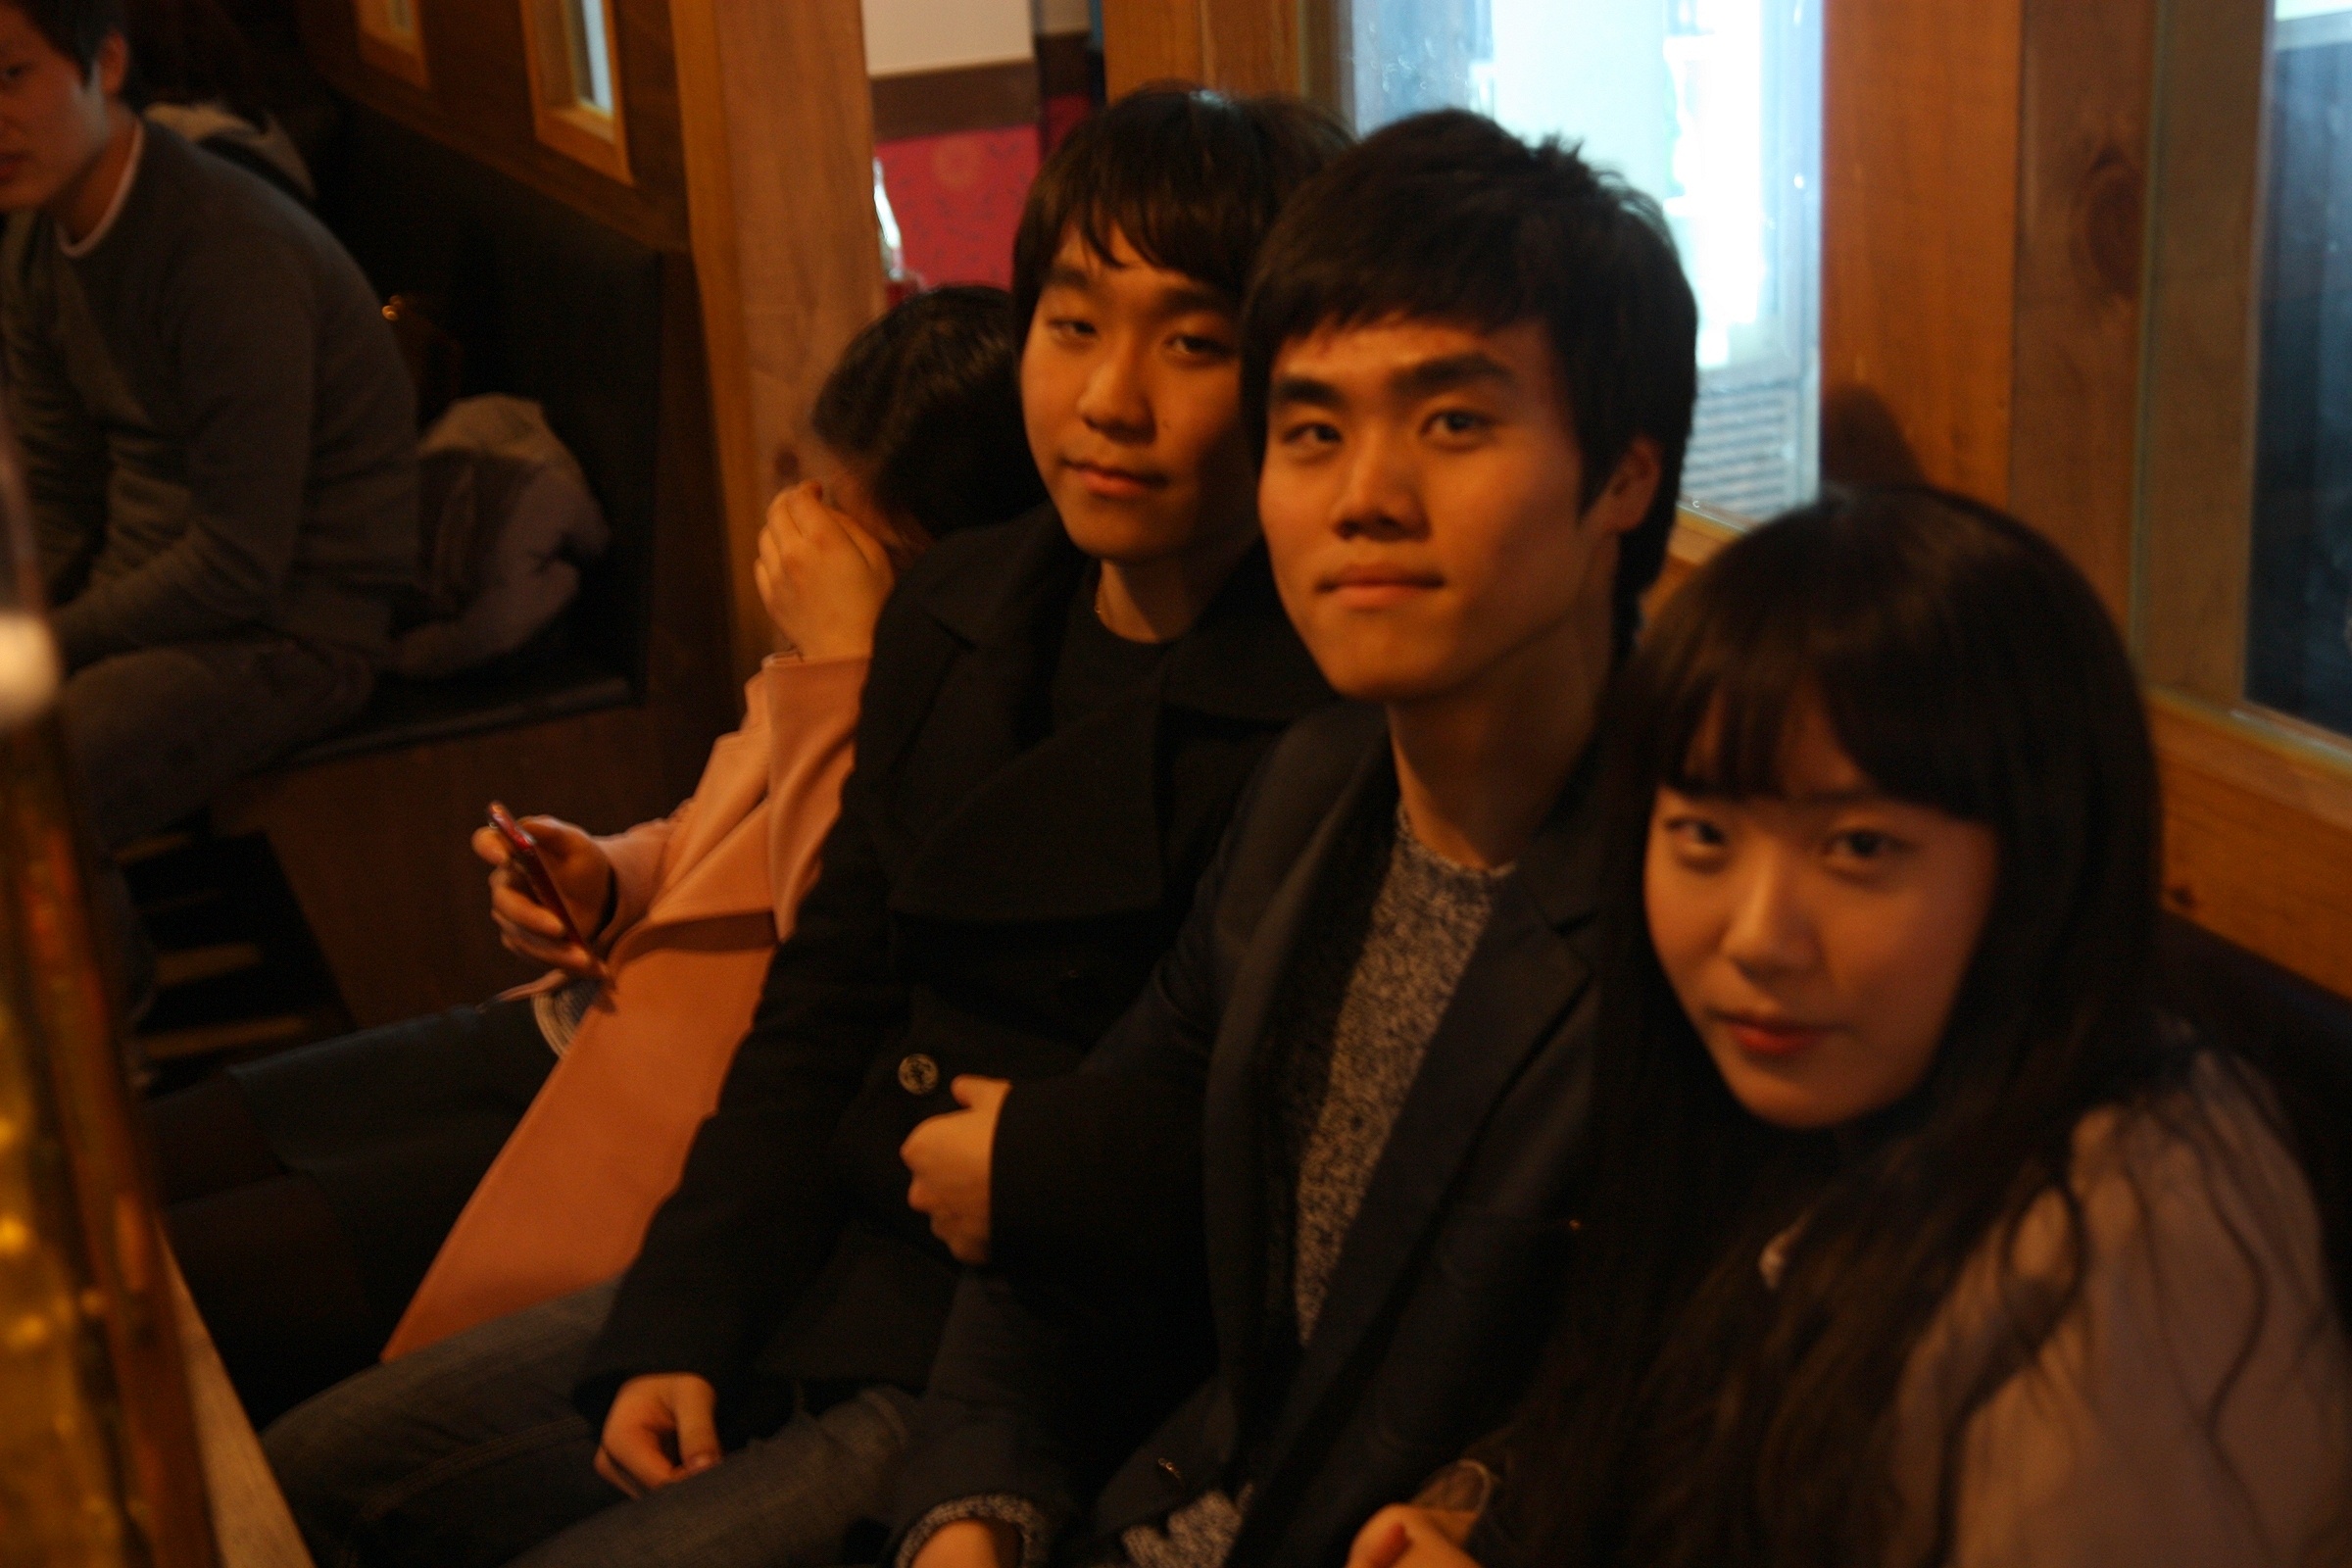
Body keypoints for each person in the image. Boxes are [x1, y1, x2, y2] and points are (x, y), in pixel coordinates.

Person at [265, 86, 1350, 1568]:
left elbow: (1246, 1161)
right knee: (314, 1470)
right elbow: (825, 999)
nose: (1111, 397)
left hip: (1021, 1354)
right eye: (1074, 323)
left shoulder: (1313, 713)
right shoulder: (964, 602)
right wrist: (684, 1316)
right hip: (826, 1247)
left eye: (1195, 343)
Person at [891, 108, 1699, 1568]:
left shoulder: (1705, 910)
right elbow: (1051, 1251)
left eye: (1453, 424)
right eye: (1313, 433)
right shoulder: (1314, 789)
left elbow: (1702, 1386)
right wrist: (970, 1514)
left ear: (1626, 477)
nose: (1365, 499)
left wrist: (1494, 1506)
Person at [1345, 488, 2352, 1568]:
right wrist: (1481, 1518)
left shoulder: (2125, 1241)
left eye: (1861, 848)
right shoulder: (1821, 1102)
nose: (1759, 938)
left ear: (2040, 863)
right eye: (1703, 835)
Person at [151, 284, 1044, 1427]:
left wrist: (845, 662)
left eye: (867, 538)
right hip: (572, 1024)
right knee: (136, 1164)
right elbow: (724, 826)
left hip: (663, 1132)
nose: (813, 539)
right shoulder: (847, 649)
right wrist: (608, 875)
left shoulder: (974, 703)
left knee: (177, 1291)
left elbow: (844, 937)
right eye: (814, 492)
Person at [0, 0, 416, 855]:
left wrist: (44, 643)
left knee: (25, 788)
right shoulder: (34, 244)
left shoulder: (225, 249)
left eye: (11, 75)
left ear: (107, 64)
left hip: (293, 630)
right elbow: (59, 496)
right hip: (156, 600)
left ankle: (106, 951)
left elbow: (239, 563)